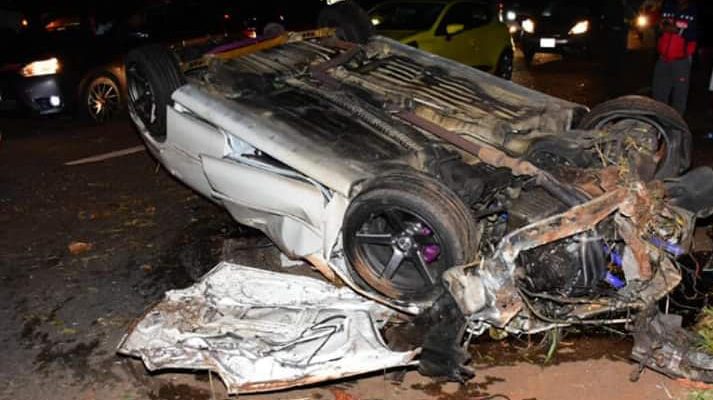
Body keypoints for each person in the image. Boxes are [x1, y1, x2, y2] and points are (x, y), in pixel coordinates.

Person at [652, 0, 698, 116]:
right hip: (663, 59)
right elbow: (657, 25)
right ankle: (660, 121)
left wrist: (678, 31)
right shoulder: (668, 6)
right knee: (658, 94)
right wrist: (659, 27)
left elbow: (697, 34)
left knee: (679, 96)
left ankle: (675, 123)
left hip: (681, 61)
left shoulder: (694, 11)